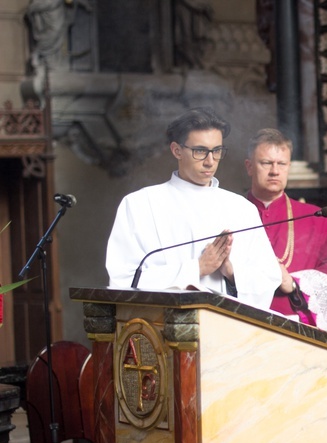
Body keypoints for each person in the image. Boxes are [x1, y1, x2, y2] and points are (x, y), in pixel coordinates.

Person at [106, 107, 281, 309]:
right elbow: (124, 279)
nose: (210, 161)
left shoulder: (241, 209)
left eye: (217, 151)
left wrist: (232, 272)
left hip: (226, 330)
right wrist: (196, 268)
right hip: (161, 329)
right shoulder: (140, 204)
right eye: (200, 151)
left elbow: (268, 278)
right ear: (176, 150)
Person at [245, 128, 327, 331]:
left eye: (282, 164)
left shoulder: (316, 218)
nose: (274, 171)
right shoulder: (229, 214)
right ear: (249, 167)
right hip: (238, 323)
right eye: (266, 163)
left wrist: (295, 283)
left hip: (297, 329)